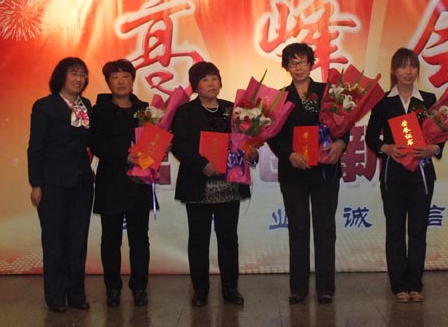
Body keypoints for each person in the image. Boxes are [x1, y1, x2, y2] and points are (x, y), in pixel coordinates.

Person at [171, 61, 257, 307]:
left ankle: (230, 288)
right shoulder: (184, 112)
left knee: (228, 238)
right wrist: (202, 164)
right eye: (205, 79)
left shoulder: (234, 110)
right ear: (195, 85)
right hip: (198, 184)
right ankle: (200, 290)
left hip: (229, 186)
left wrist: (251, 151)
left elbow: (245, 141)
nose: (211, 83)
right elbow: (179, 145)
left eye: (214, 78)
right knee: (199, 239)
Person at [267, 42, 347, 305]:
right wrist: (289, 154)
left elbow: (344, 123)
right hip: (294, 172)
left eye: (302, 62)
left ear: (311, 64)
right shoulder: (280, 97)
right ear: (286, 67)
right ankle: (298, 288)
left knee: (325, 229)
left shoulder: (327, 92)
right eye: (293, 63)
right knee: (298, 229)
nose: (298, 67)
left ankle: (326, 288)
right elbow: (272, 134)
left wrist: (340, 143)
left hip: (325, 171)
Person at [365, 47, 443, 303]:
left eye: (412, 66)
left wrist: (434, 149)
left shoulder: (429, 100)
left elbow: (441, 135)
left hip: (421, 174)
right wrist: (385, 147)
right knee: (395, 230)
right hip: (394, 175)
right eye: (402, 66)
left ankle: (415, 285)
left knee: (418, 230)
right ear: (394, 70)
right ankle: (398, 284)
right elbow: (371, 136)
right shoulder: (383, 101)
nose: (408, 71)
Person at [27, 57, 94, 313]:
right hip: (52, 183)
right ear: (61, 77)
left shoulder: (86, 106)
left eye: (82, 74)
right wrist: (36, 184)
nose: (79, 79)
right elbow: (35, 147)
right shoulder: (45, 106)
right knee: (54, 241)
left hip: (81, 182)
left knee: (77, 240)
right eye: (73, 73)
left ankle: (76, 294)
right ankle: (55, 296)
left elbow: (93, 142)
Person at [90, 59, 156, 308]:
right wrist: (123, 157)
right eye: (115, 77)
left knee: (140, 239)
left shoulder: (145, 110)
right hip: (111, 182)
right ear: (108, 82)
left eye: (125, 76)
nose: (121, 81)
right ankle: (113, 288)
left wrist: (160, 145)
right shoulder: (99, 111)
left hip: (139, 182)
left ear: (132, 80)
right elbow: (95, 143)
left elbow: (152, 142)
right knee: (110, 239)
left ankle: (139, 287)